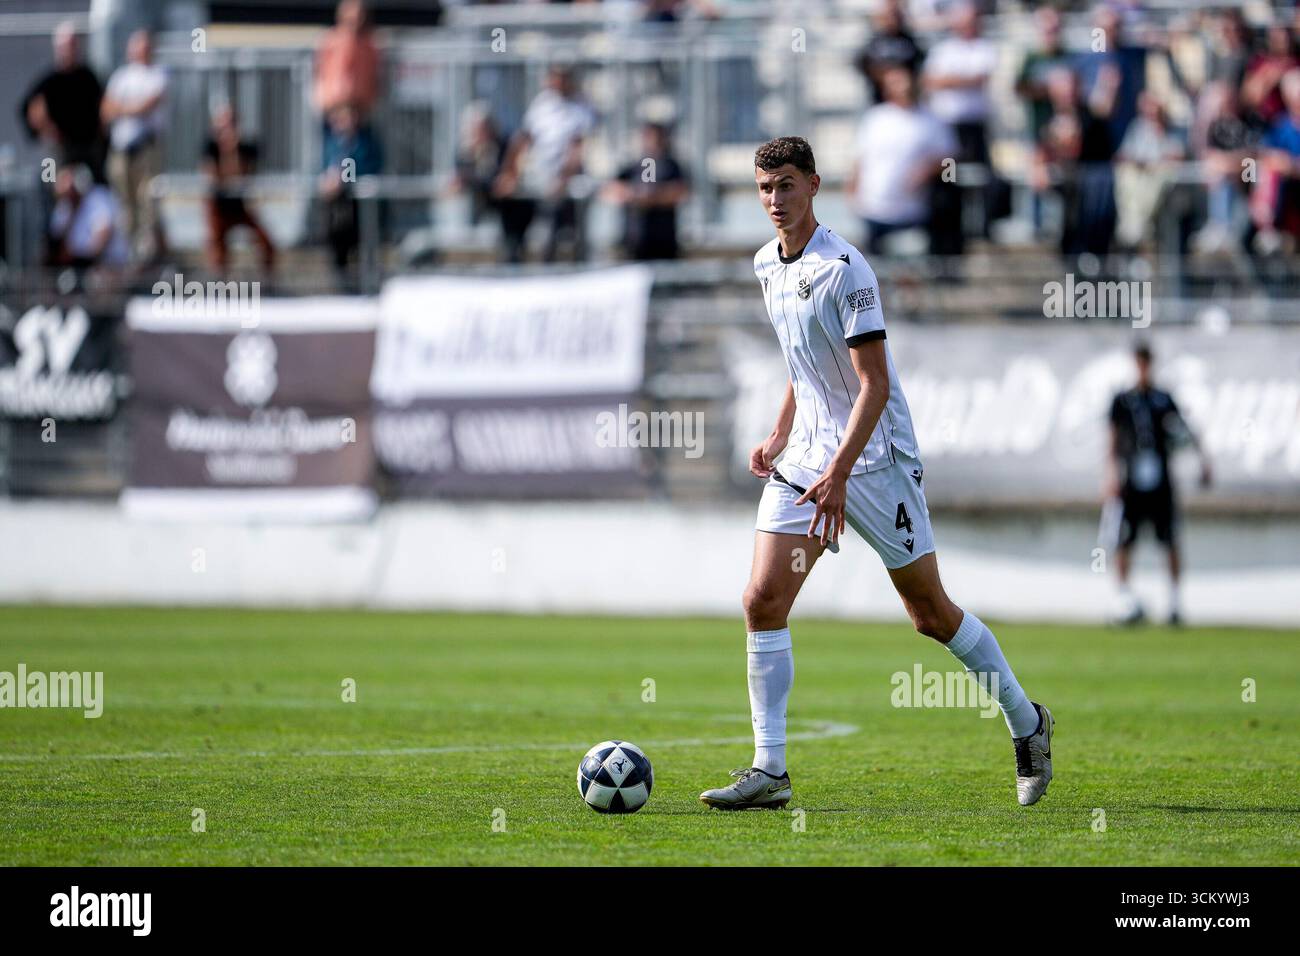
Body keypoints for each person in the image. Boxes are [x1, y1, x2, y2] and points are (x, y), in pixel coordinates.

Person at [697, 136, 1053, 811]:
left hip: (876, 460)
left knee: (930, 615)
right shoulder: (765, 263)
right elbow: (804, 364)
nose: (775, 201)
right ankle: (769, 770)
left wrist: (839, 472)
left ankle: (1027, 723)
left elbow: (874, 385)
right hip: (807, 457)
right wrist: (781, 433)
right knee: (762, 600)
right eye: (764, 189)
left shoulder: (845, 268)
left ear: (815, 186)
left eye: (787, 186)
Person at [1102, 344, 1212, 627]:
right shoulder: (1122, 400)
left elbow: (1185, 430)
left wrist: (1204, 461)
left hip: (1161, 481)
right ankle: (1123, 599)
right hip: (1132, 481)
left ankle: (1175, 602)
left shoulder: (1163, 399)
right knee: (1125, 540)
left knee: (1170, 540)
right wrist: (1111, 475)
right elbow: (1112, 441)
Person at [847, 65, 956, 255]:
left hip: (912, 210)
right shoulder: (876, 118)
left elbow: (950, 161)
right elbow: (860, 157)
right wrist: (852, 189)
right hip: (872, 207)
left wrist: (927, 171)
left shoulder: (931, 119)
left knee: (910, 268)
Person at [492, 65, 596, 263]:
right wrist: (509, 173)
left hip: (569, 182)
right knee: (520, 223)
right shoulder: (542, 104)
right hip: (539, 179)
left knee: (565, 234)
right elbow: (523, 140)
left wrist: (562, 180)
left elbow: (578, 148)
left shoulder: (583, 106)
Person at [102, 29, 168, 262]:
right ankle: (127, 257)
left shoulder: (158, 73)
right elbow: (107, 109)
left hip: (146, 150)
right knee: (125, 204)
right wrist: (130, 108)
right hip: (122, 151)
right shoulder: (121, 76)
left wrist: (125, 108)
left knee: (148, 202)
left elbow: (148, 104)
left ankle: (149, 257)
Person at [18, 21, 105, 180]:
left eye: (73, 46)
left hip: (85, 147)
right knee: (49, 180)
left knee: (90, 187)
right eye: (66, 46)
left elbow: (101, 109)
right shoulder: (48, 81)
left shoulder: (88, 78)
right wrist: (46, 130)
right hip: (55, 149)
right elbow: (28, 110)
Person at [202, 105, 274, 273]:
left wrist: (233, 151)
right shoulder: (211, 148)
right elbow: (214, 177)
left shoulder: (246, 148)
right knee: (217, 245)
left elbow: (244, 175)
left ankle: (267, 280)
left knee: (266, 242)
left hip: (240, 205)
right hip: (218, 206)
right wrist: (226, 151)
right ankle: (220, 282)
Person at [602, 122, 689, 261]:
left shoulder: (671, 166)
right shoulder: (632, 167)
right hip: (634, 243)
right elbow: (610, 191)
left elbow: (681, 192)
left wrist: (652, 197)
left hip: (664, 243)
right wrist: (634, 194)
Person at [319, 103, 383, 285]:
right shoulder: (332, 143)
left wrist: (344, 178)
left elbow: (369, 166)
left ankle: (366, 277)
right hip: (337, 205)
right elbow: (327, 166)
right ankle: (340, 273)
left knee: (361, 238)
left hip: (360, 204)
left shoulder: (366, 142)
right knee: (337, 235)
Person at [46, 164, 128, 269]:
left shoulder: (98, 197)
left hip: (107, 263)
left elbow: (102, 238)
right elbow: (59, 246)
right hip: (77, 265)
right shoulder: (64, 206)